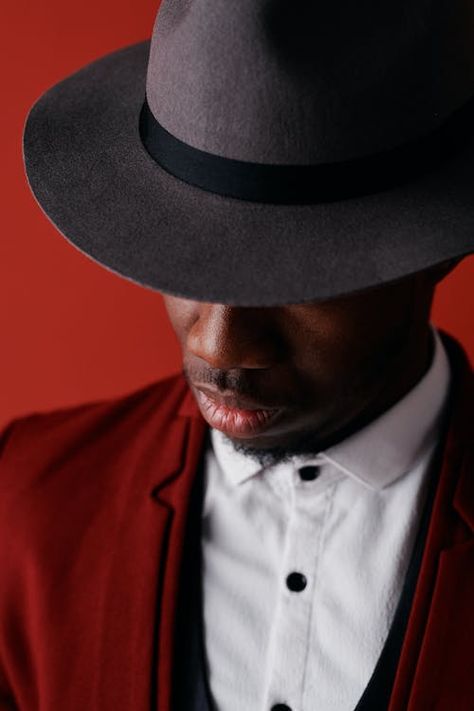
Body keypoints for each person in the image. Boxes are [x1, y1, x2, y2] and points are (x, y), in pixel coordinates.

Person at [2, 1, 473, 709]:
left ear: (439, 254)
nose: (215, 344)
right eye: (184, 259)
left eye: (296, 281)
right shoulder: (26, 503)